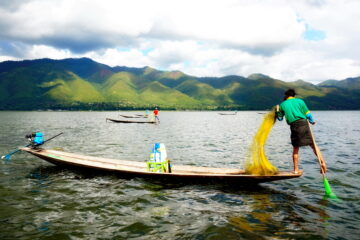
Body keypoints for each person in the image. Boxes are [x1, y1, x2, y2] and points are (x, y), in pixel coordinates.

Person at [275, 89, 327, 174]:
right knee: (313, 145)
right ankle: (323, 163)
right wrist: (311, 121)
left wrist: (277, 111)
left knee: (295, 148)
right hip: (304, 123)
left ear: (286, 96)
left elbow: (280, 119)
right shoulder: (300, 101)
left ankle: (296, 170)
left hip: (294, 126)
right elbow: (308, 114)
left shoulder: (282, 105)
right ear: (293, 95)